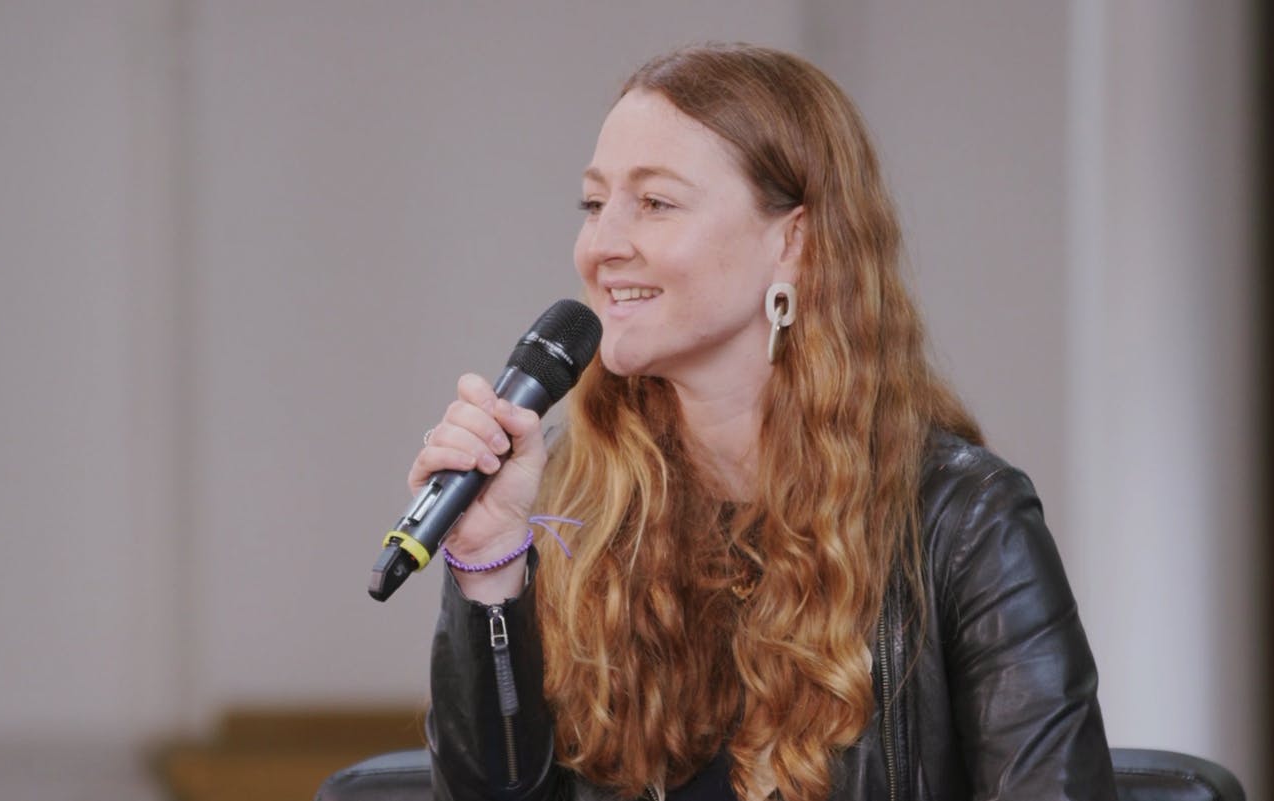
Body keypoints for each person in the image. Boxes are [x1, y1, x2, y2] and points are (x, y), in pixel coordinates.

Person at [411, 43, 1115, 801]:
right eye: (593, 203)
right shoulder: (568, 506)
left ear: (793, 242)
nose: (602, 244)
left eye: (655, 202)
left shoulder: (966, 525)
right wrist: (490, 571)